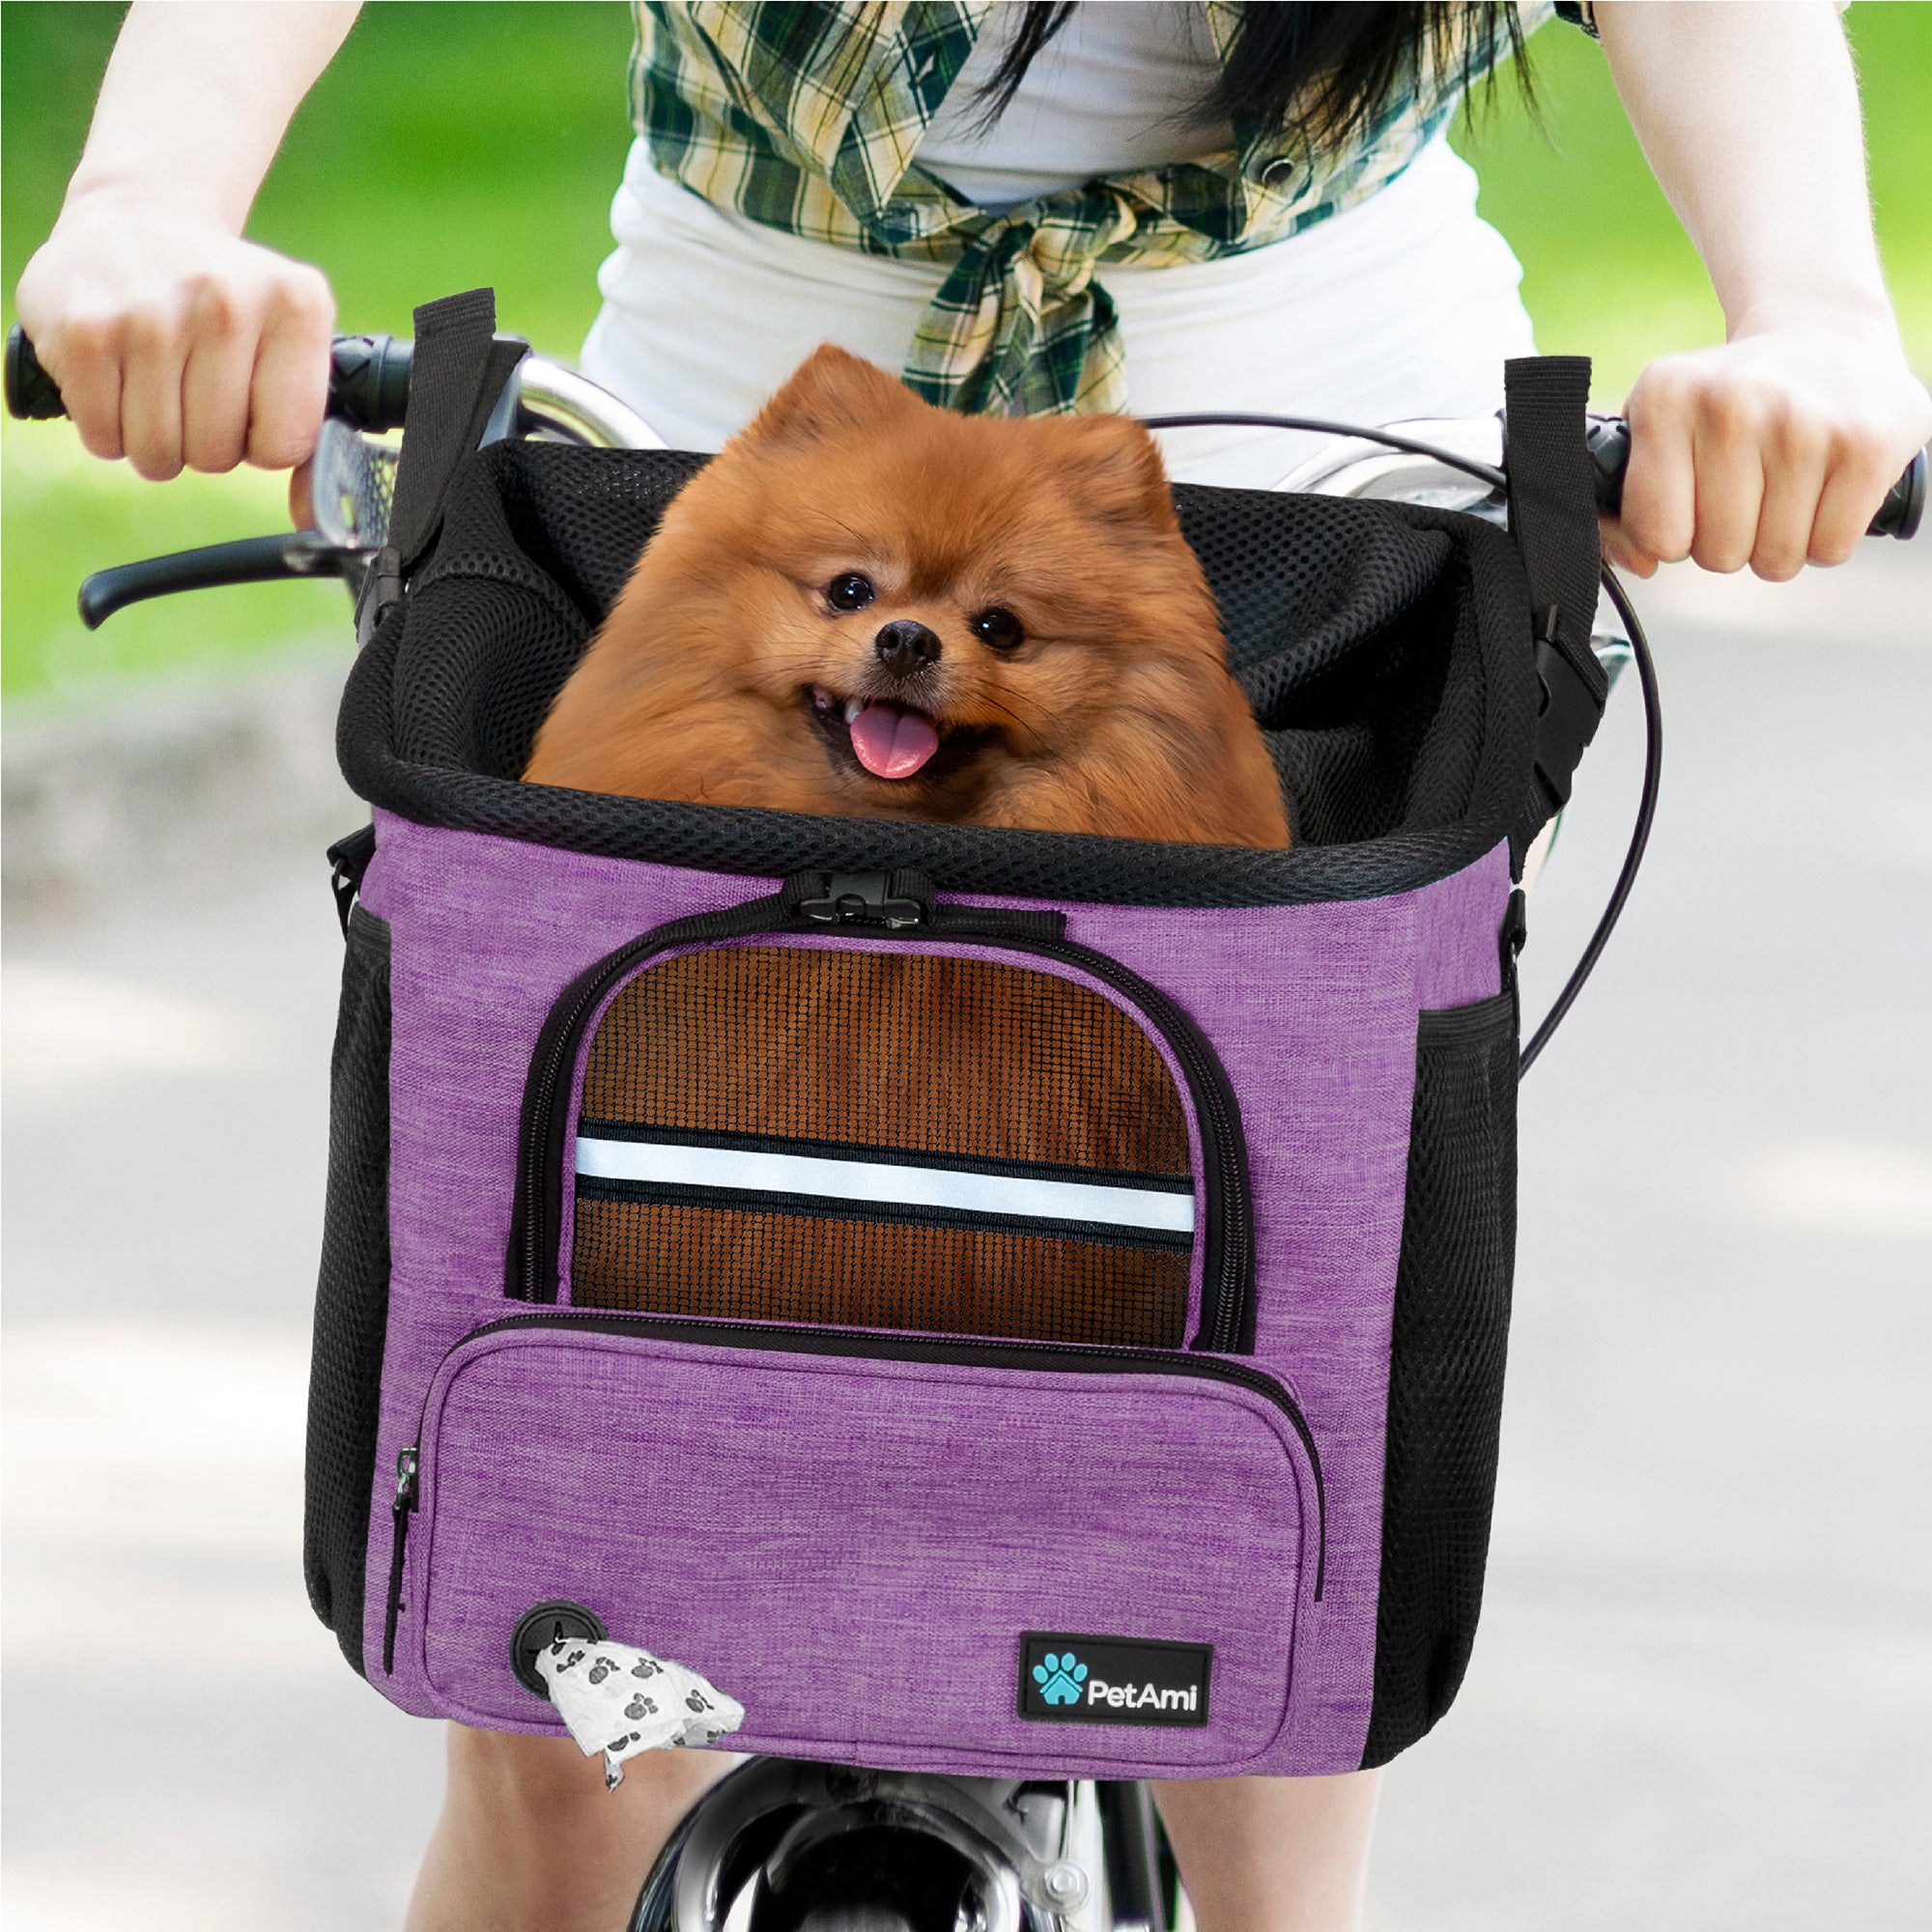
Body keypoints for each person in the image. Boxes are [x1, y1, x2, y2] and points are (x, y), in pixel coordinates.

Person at [15, 6, 1928, 1929]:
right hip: (703, 526)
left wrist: (1816, 316)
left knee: (1261, 1674)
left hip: (1319, 591)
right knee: (566, 1743)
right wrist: (151, 204)